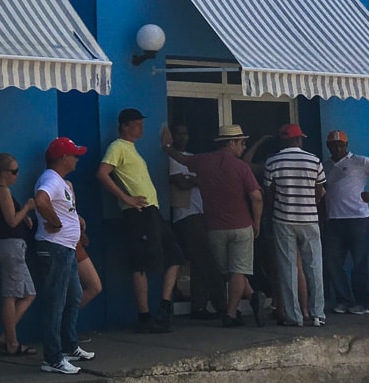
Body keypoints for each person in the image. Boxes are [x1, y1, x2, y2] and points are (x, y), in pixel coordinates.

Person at [162, 124, 264, 328]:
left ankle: (252, 296)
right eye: (242, 143)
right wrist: (257, 222)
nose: (243, 147)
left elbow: (181, 159)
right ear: (232, 143)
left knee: (228, 271)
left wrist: (166, 147)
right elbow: (256, 197)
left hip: (214, 227)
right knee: (239, 270)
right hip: (241, 225)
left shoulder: (203, 161)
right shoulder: (241, 167)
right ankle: (231, 312)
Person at [96, 108, 185, 334]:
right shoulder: (117, 147)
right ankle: (144, 316)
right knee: (141, 262)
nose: (140, 127)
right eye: (136, 124)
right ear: (124, 126)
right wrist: (126, 197)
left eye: (140, 123)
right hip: (138, 213)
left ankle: (164, 308)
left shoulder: (132, 149)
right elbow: (102, 173)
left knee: (174, 255)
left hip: (152, 210)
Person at [35, 137, 96, 374]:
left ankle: (69, 346)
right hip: (55, 248)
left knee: (74, 296)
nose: (77, 159)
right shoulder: (51, 178)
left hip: (66, 248)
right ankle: (52, 357)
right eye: (74, 155)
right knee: (55, 303)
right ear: (63, 158)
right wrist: (56, 222)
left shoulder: (60, 181)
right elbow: (41, 200)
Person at [323, 129, 369, 315]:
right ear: (328, 146)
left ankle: (363, 302)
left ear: (347, 146)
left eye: (341, 145)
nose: (337, 148)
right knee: (332, 262)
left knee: (359, 263)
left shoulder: (361, 161)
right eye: (333, 145)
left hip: (358, 219)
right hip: (333, 220)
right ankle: (343, 300)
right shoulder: (325, 165)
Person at [264, 123, 327, 327]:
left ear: (283, 140)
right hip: (309, 220)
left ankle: (294, 317)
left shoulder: (272, 162)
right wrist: (309, 203)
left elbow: (269, 193)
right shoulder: (314, 160)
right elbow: (320, 191)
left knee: (288, 268)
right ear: (299, 139)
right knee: (314, 267)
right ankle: (318, 314)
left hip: (283, 220)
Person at [166, 124, 226, 320]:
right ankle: (221, 304)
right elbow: (182, 183)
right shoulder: (171, 158)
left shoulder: (191, 158)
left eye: (186, 133)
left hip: (201, 212)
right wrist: (194, 180)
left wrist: (193, 179)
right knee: (205, 260)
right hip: (185, 215)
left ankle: (199, 305)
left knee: (201, 262)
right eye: (179, 133)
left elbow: (203, 179)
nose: (183, 137)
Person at [0, 153, 38, 356]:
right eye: (14, 171)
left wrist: (23, 215)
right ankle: (11, 341)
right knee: (11, 294)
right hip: (10, 246)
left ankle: (7, 335)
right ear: (3, 173)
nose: (17, 175)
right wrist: (27, 207)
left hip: (9, 245)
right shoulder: (2, 191)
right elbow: (10, 220)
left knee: (29, 293)